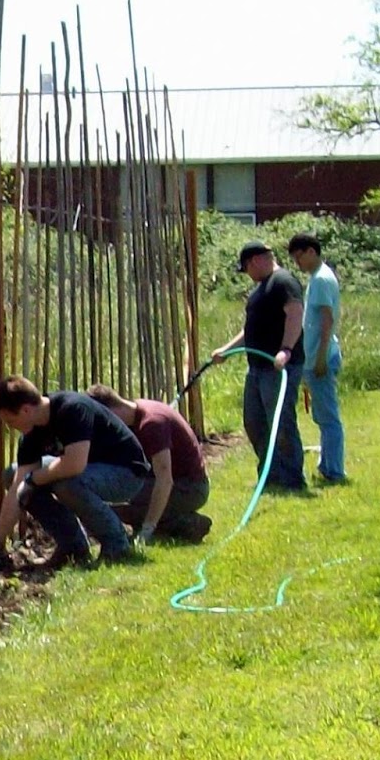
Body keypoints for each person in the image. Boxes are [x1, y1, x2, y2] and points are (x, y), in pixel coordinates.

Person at [0, 377, 152, 570]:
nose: (9, 426)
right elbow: (17, 488)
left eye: (10, 420)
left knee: (67, 484)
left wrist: (33, 479)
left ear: (26, 410)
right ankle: (73, 546)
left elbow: (74, 465)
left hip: (127, 473)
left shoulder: (72, 409)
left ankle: (117, 545)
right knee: (12, 474)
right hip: (90, 470)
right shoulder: (31, 435)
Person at [211, 240, 306, 492]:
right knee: (254, 421)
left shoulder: (283, 282)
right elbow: (250, 329)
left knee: (281, 421)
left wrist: (285, 349)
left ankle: (292, 478)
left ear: (253, 261)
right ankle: (270, 473)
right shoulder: (261, 290)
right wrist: (227, 350)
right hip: (257, 369)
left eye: (247, 269)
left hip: (278, 367)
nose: (249, 275)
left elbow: (295, 313)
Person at [87, 384, 212, 543]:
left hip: (191, 488)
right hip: (175, 483)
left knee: (117, 509)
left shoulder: (151, 424)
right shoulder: (136, 411)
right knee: (119, 500)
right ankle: (168, 522)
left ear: (109, 411)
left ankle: (187, 524)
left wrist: (148, 529)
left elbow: (165, 479)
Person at [287, 231, 345, 483]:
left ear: (311, 251)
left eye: (299, 256)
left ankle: (334, 470)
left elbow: (326, 319)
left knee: (328, 416)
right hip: (315, 356)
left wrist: (320, 357)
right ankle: (327, 464)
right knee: (322, 415)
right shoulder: (318, 278)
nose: (297, 263)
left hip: (322, 356)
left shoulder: (321, 280)